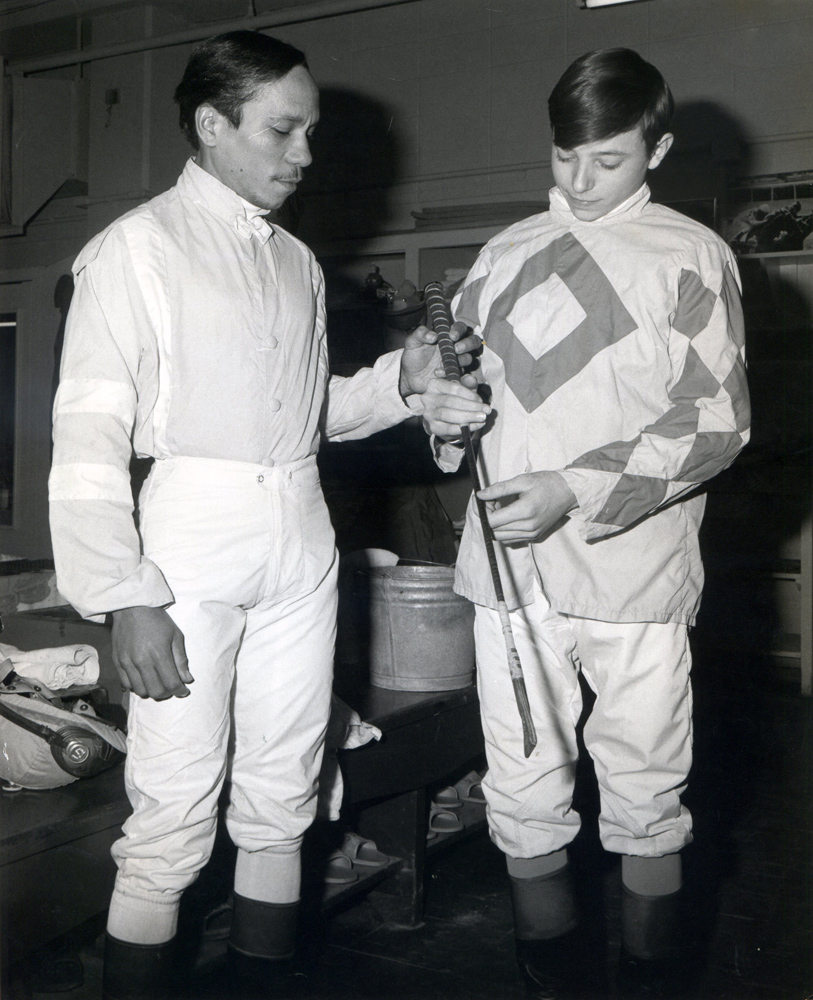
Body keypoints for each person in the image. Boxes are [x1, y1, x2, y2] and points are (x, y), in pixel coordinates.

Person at [48, 30, 481, 1000]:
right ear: (213, 123)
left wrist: (399, 382)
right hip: (190, 543)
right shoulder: (136, 249)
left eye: (311, 132)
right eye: (285, 130)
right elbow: (86, 437)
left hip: (299, 536)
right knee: (173, 815)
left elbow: (304, 412)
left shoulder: (296, 264)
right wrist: (125, 595)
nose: (306, 154)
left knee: (285, 797)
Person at [423, 48, 750, 999]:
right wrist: (443, 417)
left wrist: (575, 485)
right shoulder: (500, 256)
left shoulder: (691, 255)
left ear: (658, 147)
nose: (580, 180)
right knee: (521, 789)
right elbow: (459, 398)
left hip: (631, 573)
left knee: (646, 790)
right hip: (509, 574)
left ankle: (651, 983)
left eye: (606, 160)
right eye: (565, 157)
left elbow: (716, 421)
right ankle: (552, 981)